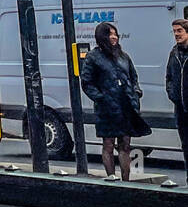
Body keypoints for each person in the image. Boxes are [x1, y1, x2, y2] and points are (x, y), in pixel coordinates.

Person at [81, 22, 152, 181]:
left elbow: (133, 77)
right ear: (102, 36)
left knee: (125, 144)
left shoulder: (123, 56)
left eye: (115, 34)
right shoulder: (93, 57)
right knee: (108, 143)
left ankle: (126, 181)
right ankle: (112, 178)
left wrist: (136, 92)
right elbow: (87, 82)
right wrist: (101, 98)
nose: (114, 37)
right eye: (110, 34)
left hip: (125, 105)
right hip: (107, 107)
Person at [165, 19, 188, 170]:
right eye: (174, 31)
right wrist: (172, 94)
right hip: (180, 108)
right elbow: (169, 77)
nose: (176, 34)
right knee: (186, 146)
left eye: (179, 30)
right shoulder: (174, 53)